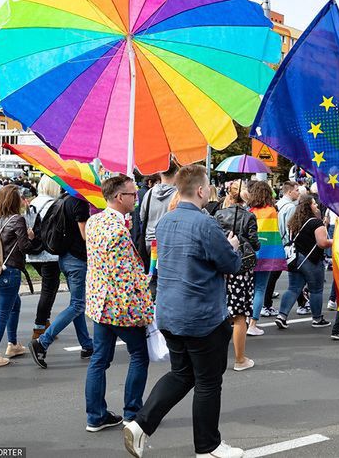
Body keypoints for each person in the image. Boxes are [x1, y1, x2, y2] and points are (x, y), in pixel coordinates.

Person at [123, 165, 243, 458]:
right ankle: (208, 446)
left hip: (169, 312)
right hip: (202, 316)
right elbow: (230, 264)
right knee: (208, 382)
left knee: (181, 374)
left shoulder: (165, 222)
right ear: (201, 190)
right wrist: (233, 246)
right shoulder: (206, 224)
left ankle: (141, 424)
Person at [84, 174, 152, 432]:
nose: (136, 197)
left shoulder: (94, 222)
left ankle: (95, 416)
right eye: (132, 194)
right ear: (118, 197)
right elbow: (128, 277)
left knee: (99, 359)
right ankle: (132, 412)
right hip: (121, 307)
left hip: (99, 304)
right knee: (139, 355)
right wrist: (146, 307)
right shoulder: (117, 232)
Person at [29, 192, 93, 368]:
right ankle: (42, 342)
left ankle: (87, 345)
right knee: (78, 305)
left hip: (65, 258)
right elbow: (86, 236)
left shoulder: (64, 199)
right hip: (77, 261)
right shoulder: (80, 203)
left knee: (76, 303)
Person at [0, 185, 34, 368]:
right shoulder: (17, 220)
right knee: (2, 313)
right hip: (10, 272)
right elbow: (25, 247)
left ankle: (13, 344)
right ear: (15, 200)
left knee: (14, 304)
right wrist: (31, 236)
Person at [214, 183, 259, 371]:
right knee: (239, 315)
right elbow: (255, 244)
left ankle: (216, 357)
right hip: (241, 269)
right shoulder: (249, 216)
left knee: (220, 312)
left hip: (221, 266)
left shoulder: (218, 215)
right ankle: (239, 359)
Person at [274, 194, 333, 329]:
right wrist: (335, 241)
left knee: (293, 288)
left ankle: (282, 316)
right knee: (316, 290)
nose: (316, 205)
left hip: (295, 259)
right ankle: (317, 319)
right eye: (314, 203)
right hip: (311, 260)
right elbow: (322, 243)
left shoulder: (295, 221)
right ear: (308, 206)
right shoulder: (315, 222)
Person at [246, 181, 285, 336]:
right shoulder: (272, 211)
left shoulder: (250, 211)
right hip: (267, 254)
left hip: (250, 254)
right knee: (260, 289)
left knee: (249, 289)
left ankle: (245, 320)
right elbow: (279, 232)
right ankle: (253, 324)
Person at [26, 175, 62, 339]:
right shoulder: (54, 204)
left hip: (33, 253)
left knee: (49, 288)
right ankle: (39, 326)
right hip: (49, 253)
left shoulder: (33, 202)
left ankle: (45, 322)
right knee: (48, 290)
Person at [141, 159, 179, 298]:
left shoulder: (149, 194)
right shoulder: (178, 195)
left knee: (152, 279)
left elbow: (142, 216)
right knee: (167, 281)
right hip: (168, 243)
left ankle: (153, 306)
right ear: (176, 173)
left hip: (150, 243)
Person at [261, 181, 300, 317]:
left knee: (278, 274)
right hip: (284, 244)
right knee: (280, 274)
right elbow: (291, 228)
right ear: (289, 192)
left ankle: (302, 301)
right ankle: (266, 304)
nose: (298, 193)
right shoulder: (290, 207)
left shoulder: (278, 204)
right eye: (296, 190)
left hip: (276, 242)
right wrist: (290, 242)